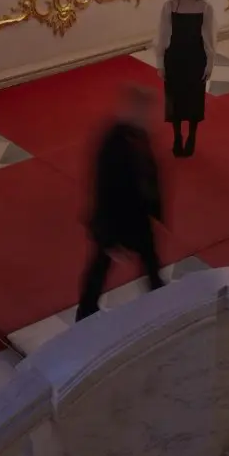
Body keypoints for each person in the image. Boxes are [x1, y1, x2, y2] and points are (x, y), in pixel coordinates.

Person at [76, 85, 164, 322]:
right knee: (103, 262)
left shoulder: (138, 135)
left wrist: (155, 205)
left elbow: (149, 172)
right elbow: (106, 187)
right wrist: (107, 234)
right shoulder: (114, 142)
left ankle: (158, 295)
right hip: (117, 216)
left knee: (148, 259)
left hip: (136, 213)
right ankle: (85, 311)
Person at [155, 0, 215, 157]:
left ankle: (192, 136)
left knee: (194, 98)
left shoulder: (205, 6)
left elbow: (210, 38)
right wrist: (160, 63)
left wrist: (210, 63)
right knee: (175, 99)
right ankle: (177, 136)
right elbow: (162, 34)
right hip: (175, 58)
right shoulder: (170, 4)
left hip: (196, 58)